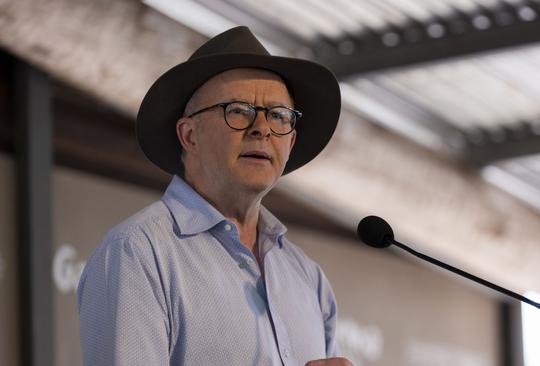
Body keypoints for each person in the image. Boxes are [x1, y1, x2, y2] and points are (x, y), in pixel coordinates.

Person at [76, 26, 352, 366]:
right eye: (237, 110)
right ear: (190, 135)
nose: (262, 129)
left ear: (290, 142)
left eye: (278, 116)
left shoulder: (307, 277)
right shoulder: (138, 253)